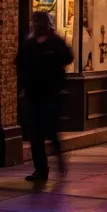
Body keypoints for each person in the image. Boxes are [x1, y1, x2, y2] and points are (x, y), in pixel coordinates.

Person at [15, 11, 74, 182]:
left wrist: (54, 68)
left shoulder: (55, 42)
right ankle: (41, 169)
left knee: (51, 131)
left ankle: (60, 161)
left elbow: (68, 57)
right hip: (33, 95)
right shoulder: (29, 43)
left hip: (50, 94)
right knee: (35, 135)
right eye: (34, 22)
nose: (35, 25)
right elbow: (20, 63)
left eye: (38, 22)